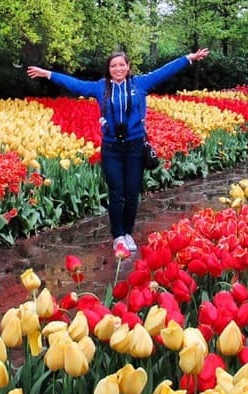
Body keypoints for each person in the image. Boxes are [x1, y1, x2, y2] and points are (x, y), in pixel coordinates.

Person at [27, 48, 210, 254]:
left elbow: (164, 71)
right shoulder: (100, 88)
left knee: (132, 193)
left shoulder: (139, 84)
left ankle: (128, 233)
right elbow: (75, 84)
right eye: (113, 65)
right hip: (112, 148)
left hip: (135, 147)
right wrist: (48, 74)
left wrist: (189, 58)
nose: (118, 68)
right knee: (116, 193)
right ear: (109, 69)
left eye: (121, 65)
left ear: (128, 67)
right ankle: (118, 236)